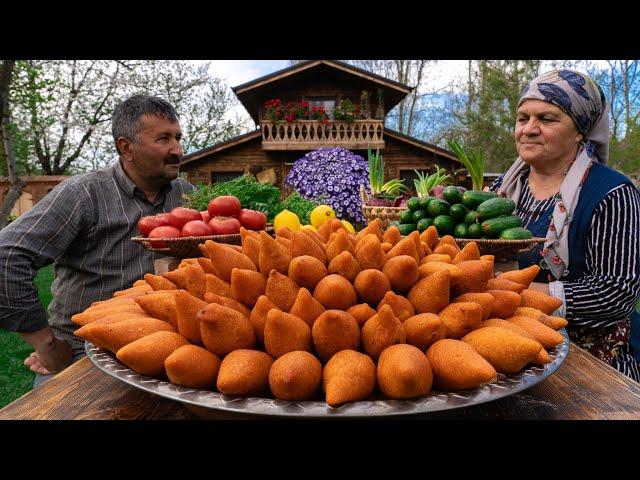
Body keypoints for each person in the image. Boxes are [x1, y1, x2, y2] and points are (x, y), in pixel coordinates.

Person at [0, 94, 194, 388]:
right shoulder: (84, 194)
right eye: (163, 139)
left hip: (169, 352)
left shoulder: (188, 195)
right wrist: (47, 345)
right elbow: (7, 255)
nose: (177, 150)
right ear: (126, 147)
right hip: (83, 358)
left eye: (178, 137)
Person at [491, 70, 640, 382]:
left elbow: (615, 293)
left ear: (579, 132)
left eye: (547, 118)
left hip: (592, 365)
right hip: (507, 348)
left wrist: (512, 292)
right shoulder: (501, 191)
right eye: (523, 118)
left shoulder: (612, 194)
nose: (529, 129)